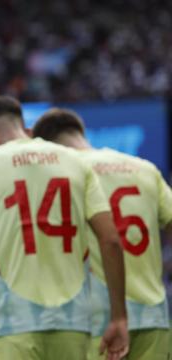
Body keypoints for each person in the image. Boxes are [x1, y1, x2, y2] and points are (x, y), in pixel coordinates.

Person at [0, 96, 129, 360]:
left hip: (12, 322)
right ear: (24, 127)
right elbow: (111, 241)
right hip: (74, 320)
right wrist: (119, 317)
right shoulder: (77, 161)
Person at [32, 108, 172, 360]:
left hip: (94, 322)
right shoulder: (146, 169)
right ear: (79, 134)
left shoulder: (61, 175)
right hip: (153, 316)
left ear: (47, 146)